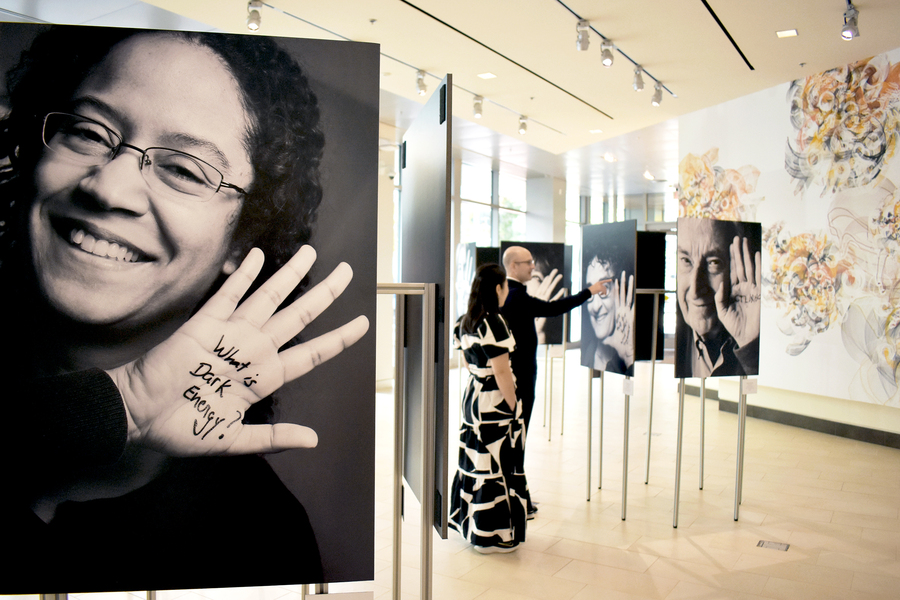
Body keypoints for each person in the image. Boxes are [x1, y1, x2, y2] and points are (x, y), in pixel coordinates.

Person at [0, 26, 369, 593]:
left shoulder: (261, 537)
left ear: (244, 241)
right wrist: (108, 408)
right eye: (87, 131)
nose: (110, 187)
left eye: (183, 169)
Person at [450, 263, 527, 554]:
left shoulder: (465, 321)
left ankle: (475, 529)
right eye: (505, 286)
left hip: (474, 396)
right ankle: (494, 534)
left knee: (477, 459)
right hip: (493, 400)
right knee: (498, 462)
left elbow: (470, 364)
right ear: (498, 288)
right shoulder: (494, 321)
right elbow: (502, 372)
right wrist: (513, 404)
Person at [674, 217, 761, 378]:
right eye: (686, 261)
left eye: (714, 263)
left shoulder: (760, 338)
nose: (695, 291)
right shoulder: (675, 338)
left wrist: (749, 347)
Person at [583, 256, 635, 374]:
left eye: (604, 291)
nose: (595, 306)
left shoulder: (626, 359)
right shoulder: (588, 355)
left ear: (621, 292)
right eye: (591, 292)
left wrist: (628, 358)